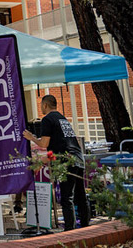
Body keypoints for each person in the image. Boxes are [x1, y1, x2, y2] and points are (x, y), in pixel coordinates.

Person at [23, 94, 90, 231]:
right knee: (80, 196)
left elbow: (44, 143)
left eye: (41, 105)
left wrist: (31, 137)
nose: (41, 107)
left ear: (45, 105)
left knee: (67, 198)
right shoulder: (62, 118)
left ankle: (69, 230)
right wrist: (44, 160)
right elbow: (60, 144)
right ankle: (85, 227)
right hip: (77, 157)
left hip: (66, 161)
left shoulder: (47, 119)